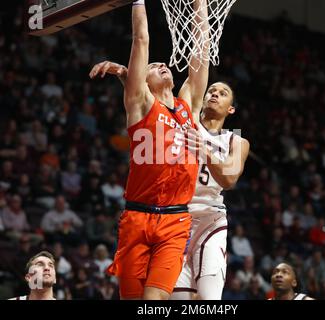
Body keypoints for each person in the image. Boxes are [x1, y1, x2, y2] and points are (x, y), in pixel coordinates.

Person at [90, 63, 250, 299]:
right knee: (177, 298)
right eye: (211, 90)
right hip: (175, 217)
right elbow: (148, 105)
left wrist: (204, 149)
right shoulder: (186, 118)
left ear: (231, 110)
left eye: (222, 93)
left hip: (209, 218)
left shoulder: (235, 140)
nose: (215, 93)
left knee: (208, 298)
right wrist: (129, 78)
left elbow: (229, 179)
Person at [90, 0, 209, 300]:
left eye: (162, 63)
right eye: (153, 66)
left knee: (154, 303)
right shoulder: (141, 104)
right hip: (137, 219)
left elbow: (201, 53)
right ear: (139, 81)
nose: (162, 65)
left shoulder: (188, 104)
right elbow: (141, 38)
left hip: (175, 220)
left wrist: (200, 5)